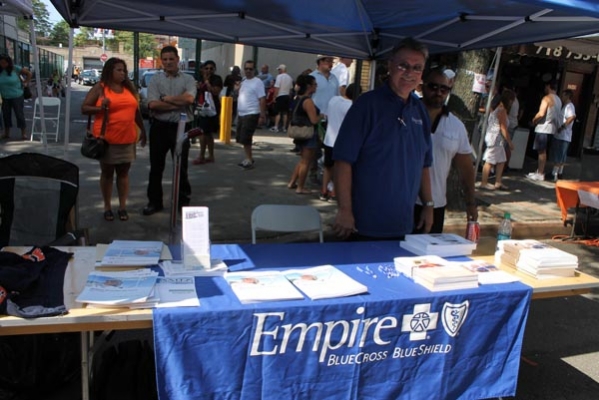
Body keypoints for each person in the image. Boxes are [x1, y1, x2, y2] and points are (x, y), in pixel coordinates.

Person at [332, 37, 434, 240]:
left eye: (417, 68)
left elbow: (424, 164)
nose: (409, 73)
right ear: (390, 66)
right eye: (403, 65)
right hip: (363, 225)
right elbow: (343, 161)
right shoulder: (366, 105)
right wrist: (344, 210)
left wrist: (428, 205)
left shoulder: (420, 110)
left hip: (404, 225)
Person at [81, 58, 146, 221]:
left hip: (127, 138)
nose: (123, 73)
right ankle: (107, 206)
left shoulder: (129, 88)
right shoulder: (100, 87)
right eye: (119, 70)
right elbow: (84, 108)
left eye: (124, 70)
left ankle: (122, 207)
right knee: (107, 174)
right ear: (110, 71)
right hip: (107, 140)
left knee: (123, 174)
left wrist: (143, 131)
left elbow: (136, 112)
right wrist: (100, 107)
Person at [415, 68, 477, 233]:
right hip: (403, 201)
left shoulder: (456, 126)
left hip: (436, 205)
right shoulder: (407, 115)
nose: (438, 92)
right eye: (433, 87)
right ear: (422, 86)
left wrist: (470, 203)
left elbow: (466, 169)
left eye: (444, 89)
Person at [143, 46, 196, 216]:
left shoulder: (188, 79)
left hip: (181, 127)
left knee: (181, 167)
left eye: (171, 59)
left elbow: (190, 99)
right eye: (165, 59)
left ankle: (182, 202)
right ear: (161, 61)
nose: (168, 62)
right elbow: (153, 104)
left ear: (177, 59)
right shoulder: (155, 80)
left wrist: (167, 99)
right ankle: (154, 202)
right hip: (159, 127)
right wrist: (178, 103)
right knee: (156, 167)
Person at [320, 83, 360, 201]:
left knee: (328, 167)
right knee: (340, 169)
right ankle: (334, 192)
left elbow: (326, 115)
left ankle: (324, 191)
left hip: (329, 139)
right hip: (342, 141)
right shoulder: (352, 106)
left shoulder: (334, 100)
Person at [287, 74, 325, 194]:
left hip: (299, 132)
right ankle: (300, 187)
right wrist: (321, 116)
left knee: (302, 160)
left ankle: (292, 182)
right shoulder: (308, 101)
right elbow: (313, 120)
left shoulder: (298, 98)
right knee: (306, 162)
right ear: (309, 86)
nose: (316, 87)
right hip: (308, 133)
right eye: (314, 84)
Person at [479, 89, 516, 191]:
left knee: (501, 160)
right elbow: (503, 127)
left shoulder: (497, 107)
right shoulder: (501, 110)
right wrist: (509, 142)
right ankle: (484, 182)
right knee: (490, 160)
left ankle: (498, 182)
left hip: (496, 138)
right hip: (496, 137)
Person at [236, 60, 267, 170]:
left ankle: (249, 159)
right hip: (242, 113)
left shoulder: (258, 82)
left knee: (246, 137)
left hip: (251, 113)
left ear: (254, 70)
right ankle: (248, 157)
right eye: (246, 69)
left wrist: (262, 115)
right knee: (241, 137)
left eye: (251, 69)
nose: (248, 71)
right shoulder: (243, 81)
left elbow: (262, 99)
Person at [528, 81, 562, 181]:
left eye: (546, 86)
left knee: (541, 151)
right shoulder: (559, 100)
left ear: (548, 86)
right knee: (544, 151)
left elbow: (541, 113)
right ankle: (539, 171)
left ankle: (540, 173)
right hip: (552, 128)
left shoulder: (547, 98)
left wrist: (534, 120)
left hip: (543, 127)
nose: (545, 88)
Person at [192, 60, 223, 165]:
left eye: (211, 68)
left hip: (211, 108)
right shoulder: (200, 79)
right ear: (203, 69)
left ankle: (203, 156)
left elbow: (215, 91)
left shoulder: (216, 79)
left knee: (206, 132)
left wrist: (207, 82)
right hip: (201, 107)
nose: (209, 70)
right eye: (206, 68)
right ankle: (209, 156)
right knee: (204, 132)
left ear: (214, 69)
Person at [0, 54, 31, 140]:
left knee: (19, 114)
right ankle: (6, 133)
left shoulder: (15, 68)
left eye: (4, 63)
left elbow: (29, 73)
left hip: (17, 96)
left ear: (8, 63)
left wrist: (26, 82)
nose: (3, 65)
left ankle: (23, 133)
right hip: (4, 97)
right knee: (6, 115)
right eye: (1, 63)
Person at [551, 89, 576, 181]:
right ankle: (559, 173)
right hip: (562, 135)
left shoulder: (569, 106)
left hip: (563, 135)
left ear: (567, 96)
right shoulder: (565, 106)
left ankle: (555, 174)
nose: (562, 97)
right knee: (561, 155)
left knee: (559, 155)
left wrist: (562, 127)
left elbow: (572, 117)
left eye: (563, 95)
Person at [269, 64, 293, 133]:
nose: (278, 71)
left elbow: (277, 87)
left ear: (282, 70)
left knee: (278, 112)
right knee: (285, 113)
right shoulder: (290, 78)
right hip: (287, 96)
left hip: (280, 96)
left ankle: (276, 127)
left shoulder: (279, 77)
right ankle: (284, 127)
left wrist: (274, 97)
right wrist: (289, 97)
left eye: (279, 69)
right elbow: (290, 89)